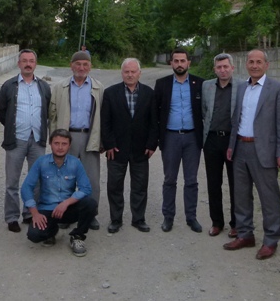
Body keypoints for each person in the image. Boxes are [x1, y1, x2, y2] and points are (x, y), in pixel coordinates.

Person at [223, 49, 280, 260]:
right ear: (246, 65)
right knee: (241, 195)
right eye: (251, 62)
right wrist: (232, 145)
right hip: (241, 147)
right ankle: (245, 234)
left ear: (266, 65)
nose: (254, 65)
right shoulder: (242, 88)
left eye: (258, 62)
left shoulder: (277, 89)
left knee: (269, 197)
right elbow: (237, 119)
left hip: (265, 151)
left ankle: (271, 239)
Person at [0, 49, 51, 233]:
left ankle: (30, 213)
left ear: (35, 63)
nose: (28, 64)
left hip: (37, 139)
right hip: (16, 139)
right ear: (18, 63)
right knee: (12, 181)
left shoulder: (43, 86)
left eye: (31, 61)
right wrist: (12, 127)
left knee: (36, 180)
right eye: (24, 60)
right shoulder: (9, 85)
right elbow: (1, 111)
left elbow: (47, 111)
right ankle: (12, 217)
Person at [49, 50, 104, 230]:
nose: (81, 67)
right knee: (65, 178)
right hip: (67, 137)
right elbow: (53, 115)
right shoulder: (60, 87)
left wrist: (101, 140)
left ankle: (91, 214)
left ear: (90, 67)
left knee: (91, 179)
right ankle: (65, 214)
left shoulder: (98, 88)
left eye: (85, 64)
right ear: (71, 65)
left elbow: (103, 116)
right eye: (78, 64)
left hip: (90, 136)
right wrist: (55, 139)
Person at [101, 58, 157, 233]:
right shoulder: (110, 93)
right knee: (114, 186)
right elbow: (105, 122)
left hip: (141, 149)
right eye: (127, 72)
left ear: (139, 73)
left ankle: (138, 219)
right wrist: (109, 144)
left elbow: (154, 122)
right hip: (116, 149)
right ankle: (116, 219)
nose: (130, 75)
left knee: (140, 186)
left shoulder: (149, 93)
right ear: (122, 73)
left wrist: (152, 144)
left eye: (133, 71)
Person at [21, 129, 98, 257]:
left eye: (64, 144)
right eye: (56, 143)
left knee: (90, 204)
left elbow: (86, 188)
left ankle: (77, 236)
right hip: (47, 208)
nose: (60, 147)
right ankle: (51, 231)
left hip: (67, 209)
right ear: (50, 144)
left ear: (69, 145)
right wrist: (34, 213)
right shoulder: (41, 162)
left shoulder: (75, 163)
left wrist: (66, 203)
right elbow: (26, 188)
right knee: (34, 235)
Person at [154, 47, 204, 233]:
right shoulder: (162, 84)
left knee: (191, 180)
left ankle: (191, 217)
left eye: (183, 61)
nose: (180, 64)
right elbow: (155, 112)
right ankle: (168, 217)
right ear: (171, 63)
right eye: (176, 61)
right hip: (170, 137)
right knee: (169, 179)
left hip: (192, 138)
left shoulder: (200, 83)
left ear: (188, 62)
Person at [201, 53, 239, 238]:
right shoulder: (207, 86)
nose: (223, 70)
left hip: (233, 141)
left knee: (235, 183)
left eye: (226, 66)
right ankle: (217, 222)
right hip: (212, 140)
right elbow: (204, 111)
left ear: (232, 67)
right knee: (213, 183)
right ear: (214, 69)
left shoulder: (242, 86)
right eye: (219, 67)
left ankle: (236, 223)